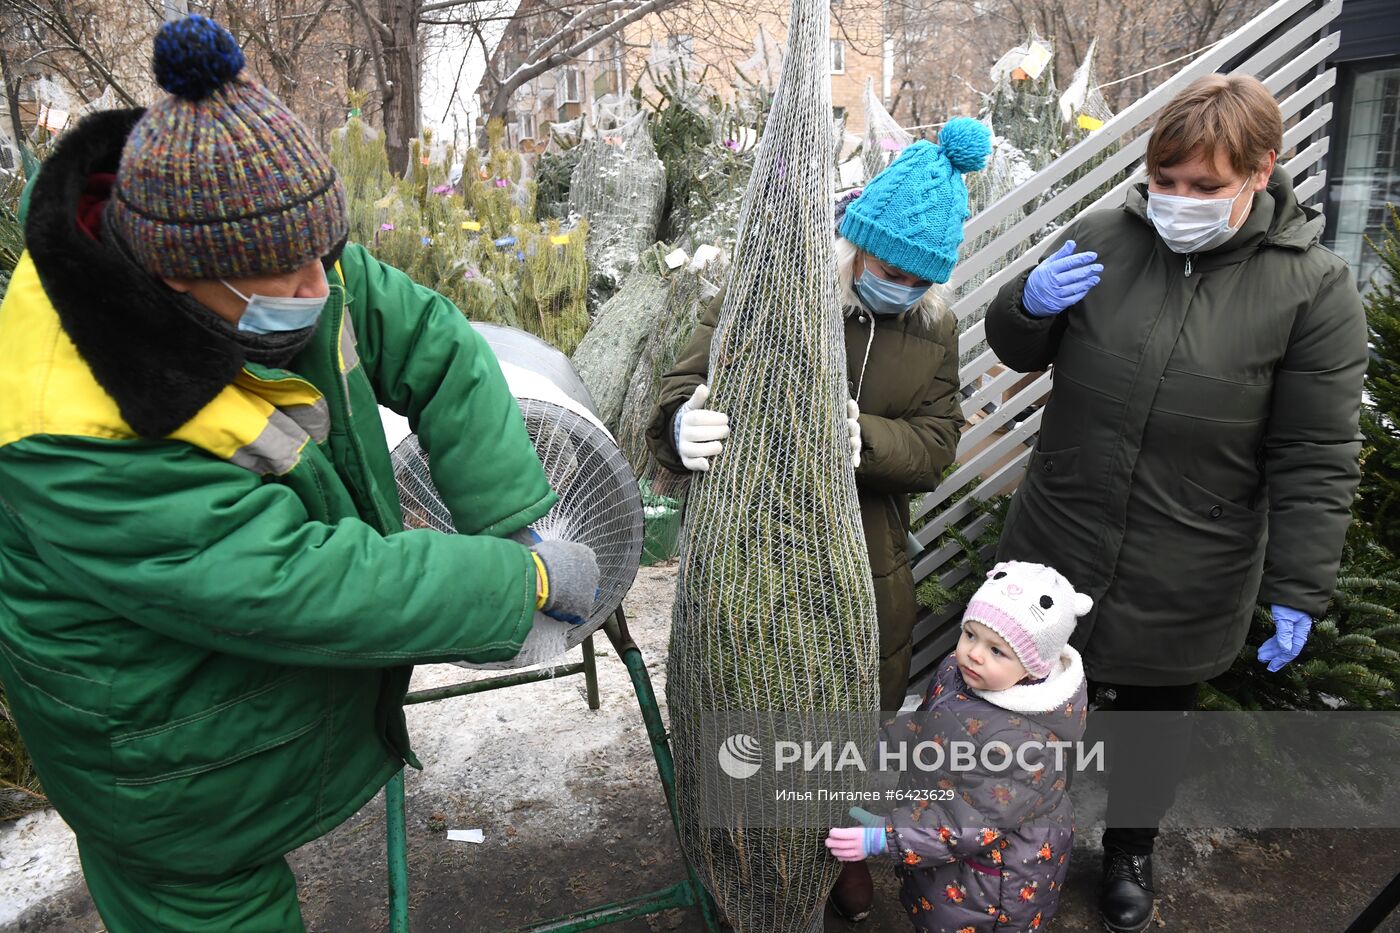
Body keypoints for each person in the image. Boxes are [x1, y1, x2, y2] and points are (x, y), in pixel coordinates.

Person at [0, 15, 598, 932]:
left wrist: (514, 517)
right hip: (167, 770)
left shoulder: (265, 242)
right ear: (173, 276)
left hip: (242, 713)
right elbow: (300, 581)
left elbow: (434, 343)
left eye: (323, 255)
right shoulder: (79, 437)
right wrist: (522, 582)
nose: (318, 290)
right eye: (284, 275)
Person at [985, 74, 1367, 933]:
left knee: (1154, 721)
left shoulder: (1312, 289)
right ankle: (1012, 831)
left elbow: (1315, 451)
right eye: (1164, 181)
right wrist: (1025, 305)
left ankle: (1128, 846)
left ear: (1262, 171)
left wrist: (1300, 584)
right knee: (1025, 701)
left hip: (1191, 553)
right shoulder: (1104, 238)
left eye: (1205, 187)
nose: (1177, 201)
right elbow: (1017, 347)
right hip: (1061, 534)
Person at [647, 117, 992, 921]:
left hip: (864, 561)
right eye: (886, 267)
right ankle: (748, 851)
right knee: (754, 708)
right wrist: (679, 426)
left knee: (845, 731)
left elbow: (937, 444)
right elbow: (684, 381)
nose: (897, 286)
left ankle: (841, 856)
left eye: (916, 278)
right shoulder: (776, 289)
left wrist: (861, 438)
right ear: (854, 244)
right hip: (753, 548)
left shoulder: (932, 331)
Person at [825, 561, 1092, 932]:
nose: (974, 653)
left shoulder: (1026, 748)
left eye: (997, 650)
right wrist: (866, 748)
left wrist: (884, 837)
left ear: (1034, 667)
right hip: (939, 850)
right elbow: (926, 728)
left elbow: (966, 824)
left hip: (990, 884)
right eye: (970, 634)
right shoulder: (960, 673)